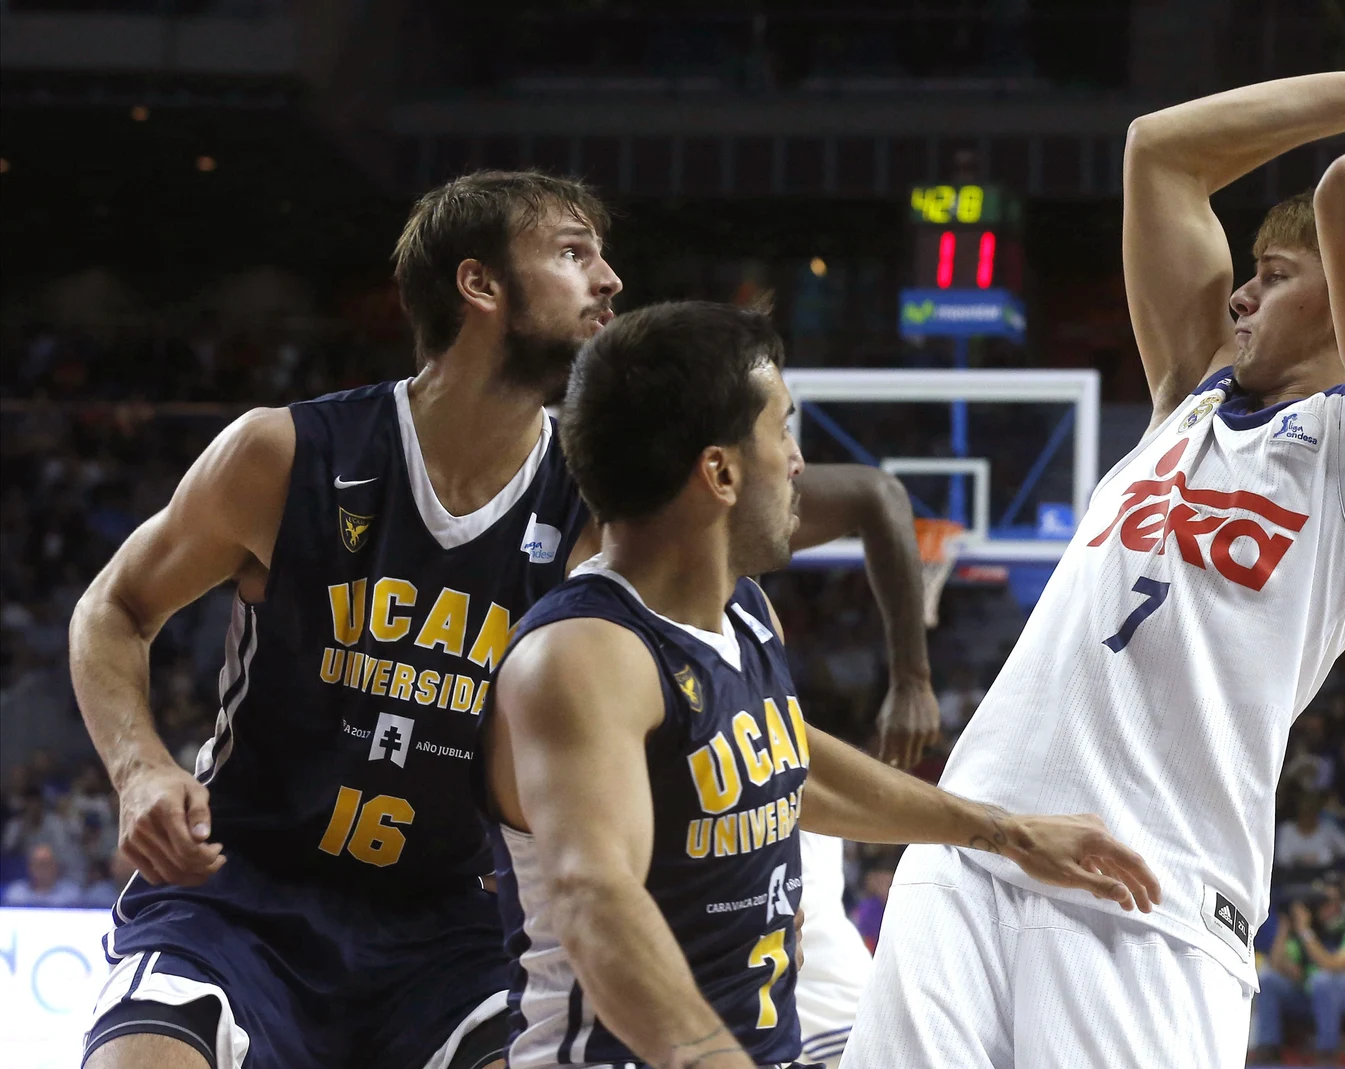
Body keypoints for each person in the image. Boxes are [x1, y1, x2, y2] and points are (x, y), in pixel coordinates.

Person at [844, 23, 1345, 1067]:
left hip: (1147, 898)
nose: (1241, 293)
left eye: (1273, 271)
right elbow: (1157, 151)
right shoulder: (1187, 395)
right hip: (972, 844)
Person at [69, 169, 938, 1069]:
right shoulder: (286, 455)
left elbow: (755, 727)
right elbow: (114, 607)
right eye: (573, 254)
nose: (610, 281)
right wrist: (140, 768)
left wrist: (984, 825)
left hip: (459, 933)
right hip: (242, 896)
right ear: (479, 285)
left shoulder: (603, 517)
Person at [481, 301, 1160, 1069]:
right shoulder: (583, 654)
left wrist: (1006, 831)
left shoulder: (743, 612)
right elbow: (593, 896)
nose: (798, 460)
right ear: (721, 470)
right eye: (783, 429)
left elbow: (788, 763)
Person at [1252, 882, 1345, 1064]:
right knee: (1268, 980)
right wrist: (1285, 926)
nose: (1325, 908)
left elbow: (1331, 965)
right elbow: (1277, 964)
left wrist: (1304, 930)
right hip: (1311, 997)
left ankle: (1327, 1051)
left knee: (1323, 981)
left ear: (1344, 905)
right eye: (1321, 903)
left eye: (1331, 902)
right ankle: (1269, 1047)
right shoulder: (1310, 934)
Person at [3, 842, 84, 906]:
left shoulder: (72, 895)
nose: (42, 868)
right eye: (37, 864)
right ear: (29, 867)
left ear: (56, 866)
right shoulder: (16, 893)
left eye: (46, 863)